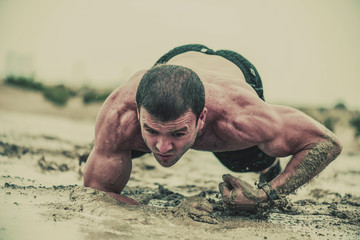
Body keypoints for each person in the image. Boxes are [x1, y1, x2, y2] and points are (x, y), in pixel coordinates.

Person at [83, 44, 342, 210]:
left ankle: (266, 165)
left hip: (233, 73)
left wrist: (266, 195)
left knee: (246, 161)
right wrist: (170, 214)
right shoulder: (120, 113)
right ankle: (111, 146)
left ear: (202, 118)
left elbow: (326, 143)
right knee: (119, 142)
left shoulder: (240, 117)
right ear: (138, 112)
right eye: (151, 129)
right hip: (174, 63)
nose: (162, 147)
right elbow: (96, 193)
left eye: (178, 132)